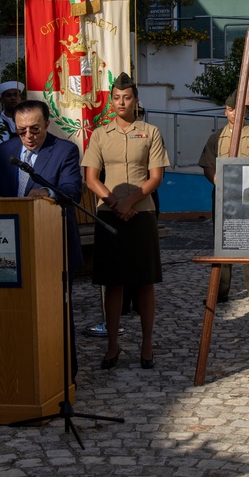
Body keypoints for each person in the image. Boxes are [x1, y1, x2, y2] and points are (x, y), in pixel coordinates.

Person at [0, 99, 83, 378]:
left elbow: (71, 190)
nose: (28, 136)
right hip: (11, 245)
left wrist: (47, 194)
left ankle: (63, 373)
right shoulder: (6, 150)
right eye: (21, 131)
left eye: (35, 129)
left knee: (56, 311)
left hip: (51, 242)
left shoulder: (64, 150)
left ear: (47, 124)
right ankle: (18, 368)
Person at [82, 72, 169, 370]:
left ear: (136, 100)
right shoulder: (99, 134)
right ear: (111, 100)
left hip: (141, 213)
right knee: (113, 282)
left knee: (145, 281)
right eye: (117, 97)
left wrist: (130, 201)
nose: (122, 102)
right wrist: (113, 202)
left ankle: (146, 345)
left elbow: (156, 176)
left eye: (127, 97)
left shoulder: (151, 132)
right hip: (109, 215)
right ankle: (112, 346)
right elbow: (91, 178)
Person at [197, 89, 249, 301]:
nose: (234, 114)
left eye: (239, 110)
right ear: (225, 112)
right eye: (231, 110)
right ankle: (220, 292)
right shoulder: (217, 138)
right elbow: (207, 166)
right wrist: (217, 182)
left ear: (245, 112)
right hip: (224, 196)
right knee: (223, 243)